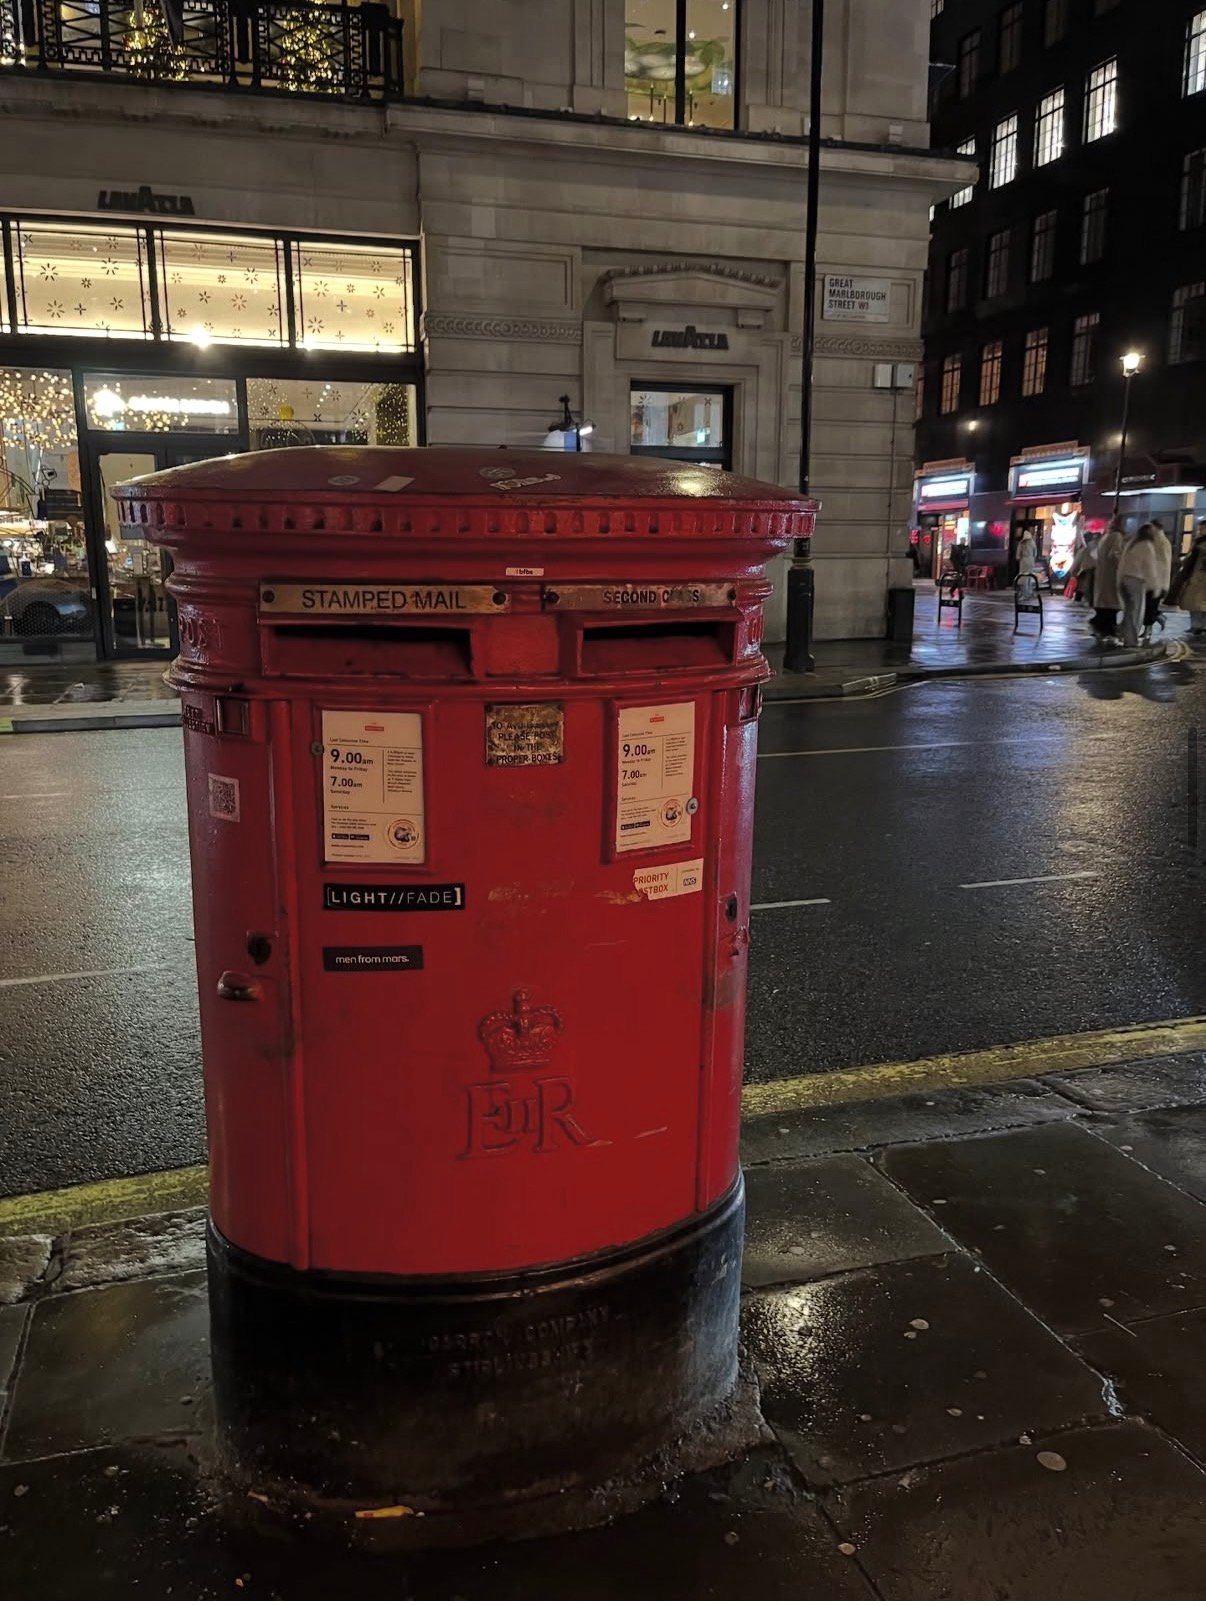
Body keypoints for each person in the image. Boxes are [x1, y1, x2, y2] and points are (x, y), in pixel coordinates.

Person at [1117, 523, 1163, 647]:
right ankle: (1131, 641)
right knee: (1136, 612)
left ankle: (1125, 636)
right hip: (1136, 580)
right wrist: (1155, 586)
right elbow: (1149, 567)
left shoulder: (1132, 544)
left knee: (1128, 611)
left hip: (1124, 579)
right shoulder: (1147, 546)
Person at [1168, 520, 1206, 637]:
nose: (1200, 531)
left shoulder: (1200, 544)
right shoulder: (1198, 542)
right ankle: (1197, 626)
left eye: (1202, 528)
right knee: (1193, 603)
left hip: (1200, 576)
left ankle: (1200, 626)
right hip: (1195, 576)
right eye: (1200, 528)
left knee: (1199, 603)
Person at [1090, 518, 1125, 642]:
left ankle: (1104, 629)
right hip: (1111, 575)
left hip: (1102, 575)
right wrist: (1123, 566)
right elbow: (1115, 554)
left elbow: (1095, 554)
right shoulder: (1117, 536)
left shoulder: (1105, 537)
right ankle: (1105, 628)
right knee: (1112, 605)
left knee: (1105, 605)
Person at [1144, 518, 1174, 640]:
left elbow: (1161, 564)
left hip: (1156, 581)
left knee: (1149, 606)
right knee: (1149, 605)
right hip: (1154, 580)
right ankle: (1154, 621)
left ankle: (1149, 628)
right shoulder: (1158, 541)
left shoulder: (1160, 542)